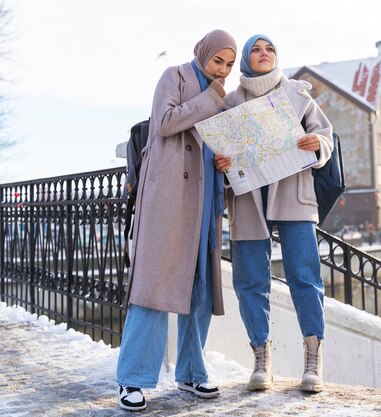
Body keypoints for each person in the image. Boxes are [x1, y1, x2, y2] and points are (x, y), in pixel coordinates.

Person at [115, 30, 237, 411]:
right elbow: (165, 122)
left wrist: (225, 158)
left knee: (199, 290)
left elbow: (220, 141)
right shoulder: (176, 76)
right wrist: (211, 98)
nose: (223, 70)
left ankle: (190, 372)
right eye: (218, 60)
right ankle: (132, 379)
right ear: (202, 54)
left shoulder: (222, 98)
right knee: (153, 287)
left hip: (205, 201)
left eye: (230, 64)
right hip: (169, 200)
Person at [215, 34, 333, 393]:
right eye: (256, 49)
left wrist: (318, 145)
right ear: (247, 60)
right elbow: (218, 150)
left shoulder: (298, 96)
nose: (263, 54)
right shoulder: (228, 104)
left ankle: (313, 359)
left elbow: (325, 135)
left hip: (293, 195)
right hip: (248, 198)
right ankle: (261, 360)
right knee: (249, 280)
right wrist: (220, 163)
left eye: (269, 49)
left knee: (304, 276)